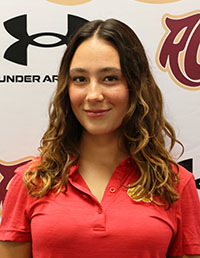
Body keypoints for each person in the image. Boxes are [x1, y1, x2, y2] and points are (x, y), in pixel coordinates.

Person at [0, 18, 200, 258]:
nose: (93, 95)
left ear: (135, 86)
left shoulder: (176, 184)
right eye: (80, 79)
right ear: (67, 88)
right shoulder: (30, 180)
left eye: (110, 78)